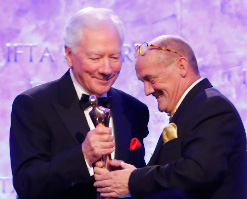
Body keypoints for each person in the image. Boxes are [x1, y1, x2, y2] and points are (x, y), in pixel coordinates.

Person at [9, 7, 149, 199]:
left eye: (115, 57)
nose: (107, 69)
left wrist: (134, 180)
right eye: (95, 58)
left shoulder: (135, 110)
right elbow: (26, 184)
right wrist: (83, 157)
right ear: (68, 54)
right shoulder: (33, 105)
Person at [94, 35, 247, 199]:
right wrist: (128, 176)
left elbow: (198, 172)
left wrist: (134, 180)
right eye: (142, 82)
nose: (147, 91)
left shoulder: (213, 107)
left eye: (151, 79)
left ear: (181, 66)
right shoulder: (192, 108)